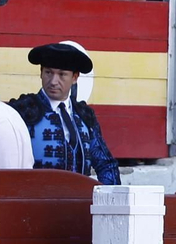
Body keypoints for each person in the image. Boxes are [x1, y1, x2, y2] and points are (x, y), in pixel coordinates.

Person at [8, 41, 118, 183]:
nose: (53, 81)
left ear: (74, 78)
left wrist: (106, 201)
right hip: (35, 201)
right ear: (41, 73)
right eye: (48, 72)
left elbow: (106, 164)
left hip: (78, 202)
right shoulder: (22, 110)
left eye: (62, 74)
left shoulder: (84, 115)